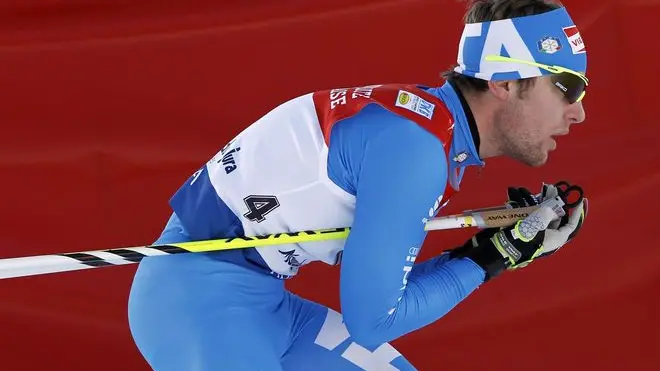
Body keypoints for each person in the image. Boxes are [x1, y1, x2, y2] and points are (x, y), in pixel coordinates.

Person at [127, 1, 589, 370]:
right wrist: (495, 254)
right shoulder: (415, 151)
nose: (578, 111)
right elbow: (374, 321)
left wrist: (494, 250)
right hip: (199, 305)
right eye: (566, 87)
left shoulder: (428, 133)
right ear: (505, 82)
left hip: (261, 305)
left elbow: (382, 296)